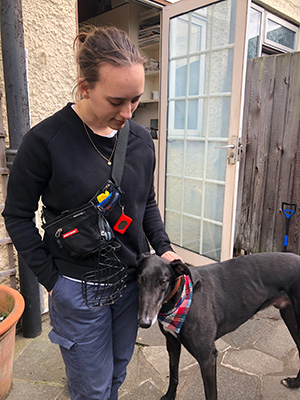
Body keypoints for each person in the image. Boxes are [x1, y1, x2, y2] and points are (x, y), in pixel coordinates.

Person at [2, 26, 181, 400]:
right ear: (85, 87)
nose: (128, 112)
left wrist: (163, 247)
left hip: (132, 285)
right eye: (117, 101)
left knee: (116, 375)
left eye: (135, 100)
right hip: (77, 289)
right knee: (91, 390)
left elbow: (145, 201)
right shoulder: (44, 141)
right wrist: (53, 280)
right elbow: (17, 215)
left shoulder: (140, 141)